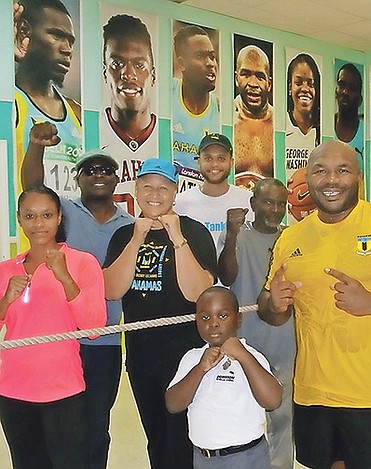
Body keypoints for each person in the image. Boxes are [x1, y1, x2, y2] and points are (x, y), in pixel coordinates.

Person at [258, 140, 371, 468]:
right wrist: (273, 304)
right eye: (320, 171)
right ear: (308, 178)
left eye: (342, 170)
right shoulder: (290, 238)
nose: (331, 180)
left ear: (358, 176)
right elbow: (267, 307)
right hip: (311, 393)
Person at [20, 122, 133, 469]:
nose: (98, 175)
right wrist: (36, 145)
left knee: (97, 427)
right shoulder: (64, 212)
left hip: (105, 344)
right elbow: (34, 188)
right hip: (61, 343)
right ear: (78, 178)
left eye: (105, 170)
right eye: (90, 170)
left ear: (116, 180)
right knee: (60, 431)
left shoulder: (130, 224)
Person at [103, 158, 217, 469]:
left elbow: (198, 293)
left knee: (189, 436)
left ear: (175, 192)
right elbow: (111, 290)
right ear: (137, 191)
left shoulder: (194, 232)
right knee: (157, 436)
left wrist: (176, 237)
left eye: (164, 187)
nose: (156, 193)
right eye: (148, 186)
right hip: (143, 357)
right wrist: (138, 237)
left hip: (190, 356)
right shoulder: (123, 235)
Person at [0, 185, 106, 469]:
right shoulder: (6, 269)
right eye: (30, 216)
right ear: (19, 220)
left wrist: (64, 277)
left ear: (59, 217)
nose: (38, 224)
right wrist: (6, 300)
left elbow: (94, 327)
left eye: (46, 215)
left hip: (63, 390)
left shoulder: (82, 263)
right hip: (12, 392)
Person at [218, 178, 294, 468]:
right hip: (245, 344)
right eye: (266, 202)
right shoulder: (238, 236)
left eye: (279, 203)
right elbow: (227, 276)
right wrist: (233, 235)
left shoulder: (291, 237)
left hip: (284, 341)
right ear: (253, 205)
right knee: (242, 414)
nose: (274, 209)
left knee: (283, 417)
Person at [166, 287, 282, 469]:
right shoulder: (193, 358)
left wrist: (243, 356)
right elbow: (173, 404)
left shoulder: (252, 356)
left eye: (222, 316)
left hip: (247, 457)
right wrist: (200, 369)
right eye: (205, 317)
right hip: (204, 458)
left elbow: (273, 401)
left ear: (239, 319)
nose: (213, 323)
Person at [13, 0, 82, 199]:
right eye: (57, 35)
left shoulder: (76, 111)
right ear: (24, 32)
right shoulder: (11, 103)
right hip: (23, 230)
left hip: (71, 229)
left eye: (71, 41)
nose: (67, 49)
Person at [100, 13, 158, 216]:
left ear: (153, 74)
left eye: (140, 65)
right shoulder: (90, 132)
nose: (128, 74)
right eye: (117, 64)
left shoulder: (167, 140)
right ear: (105, 71)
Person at [174, 133, 253, 253]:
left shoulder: (250, 201)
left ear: (231, 162)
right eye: (208, 158)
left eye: (221, 158)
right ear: (199, 161)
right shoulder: (179, 203)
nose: (215, 164)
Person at [171, 24, 220, 189]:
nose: (210, 64)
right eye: (200, 56)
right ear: (182, 64)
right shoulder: (165, 96)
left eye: (212, 57)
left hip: (203, 205)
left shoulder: (220, 109)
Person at [233, 44, 274, 186]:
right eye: (246, 74)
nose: (253, 83)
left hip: (270, 206)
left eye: (259, 76)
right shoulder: (224, 119)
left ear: (269, 84)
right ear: (236, 78)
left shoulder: (280, 124)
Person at [285, 53, 320, 174]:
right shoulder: (281, 125)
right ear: (290, 88)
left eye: (310, 84)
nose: (305, 89)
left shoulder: (323, 132)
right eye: (299, 83)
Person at [335, 63, 364, 166]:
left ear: (360, 100)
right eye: (341, 85)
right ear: (336, 91)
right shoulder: (321, 128)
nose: (345, 92)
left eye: (352, 88)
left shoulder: (367, 134)